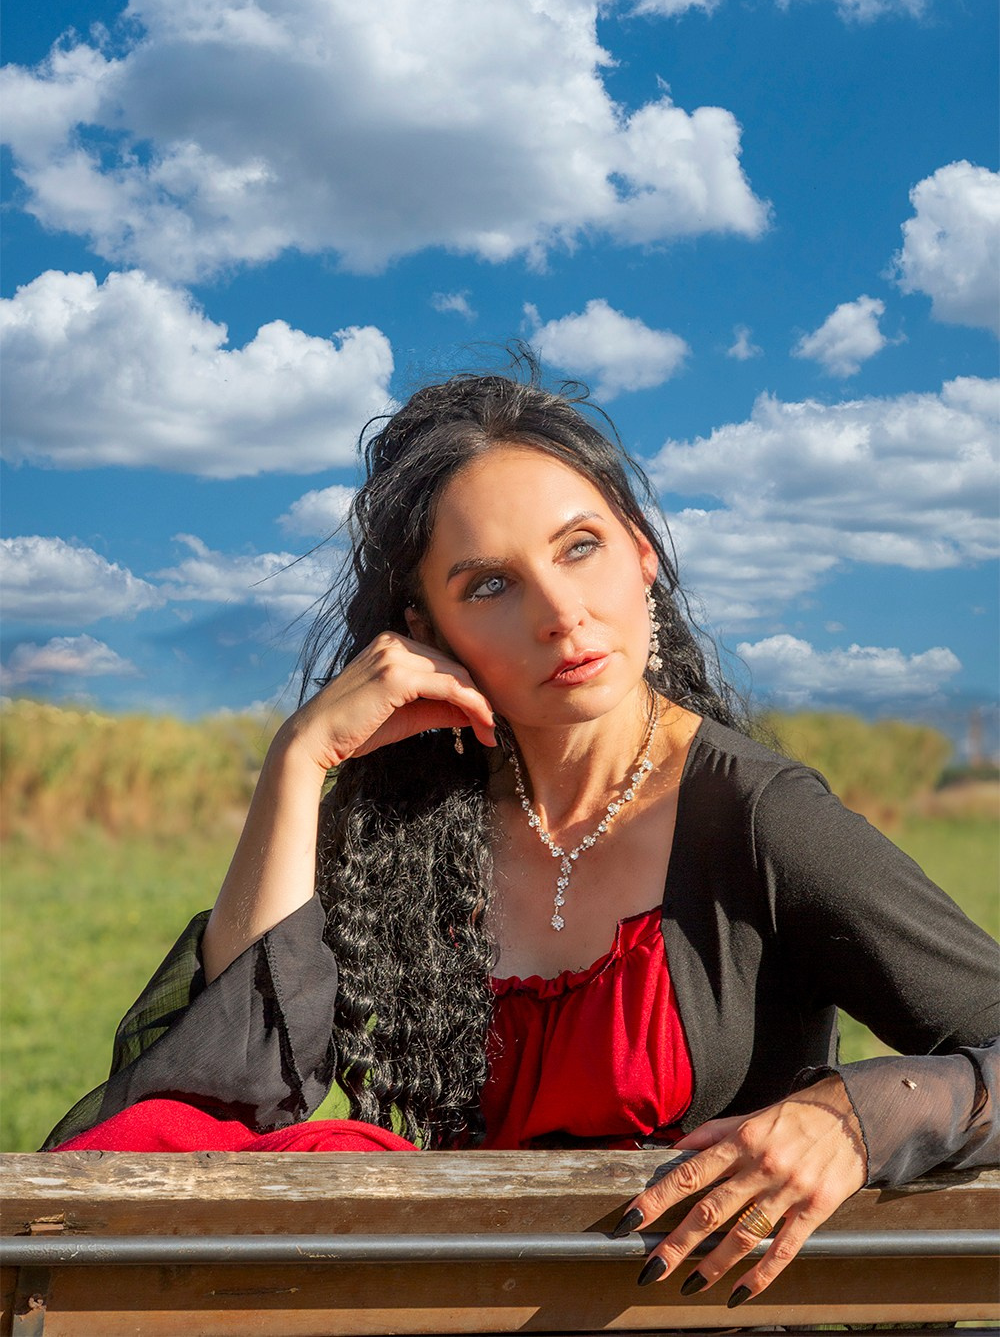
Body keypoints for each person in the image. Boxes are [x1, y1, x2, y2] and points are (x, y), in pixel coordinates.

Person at [45, 361, 998, 1308]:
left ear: (642, 555)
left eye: (580, 547)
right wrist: (300, 761)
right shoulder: (415, 834)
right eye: (491, 584)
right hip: (473, 1306)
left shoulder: (760, 817)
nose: (560, 613)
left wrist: (852, 1117)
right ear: (426, 630)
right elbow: (221, 1094)